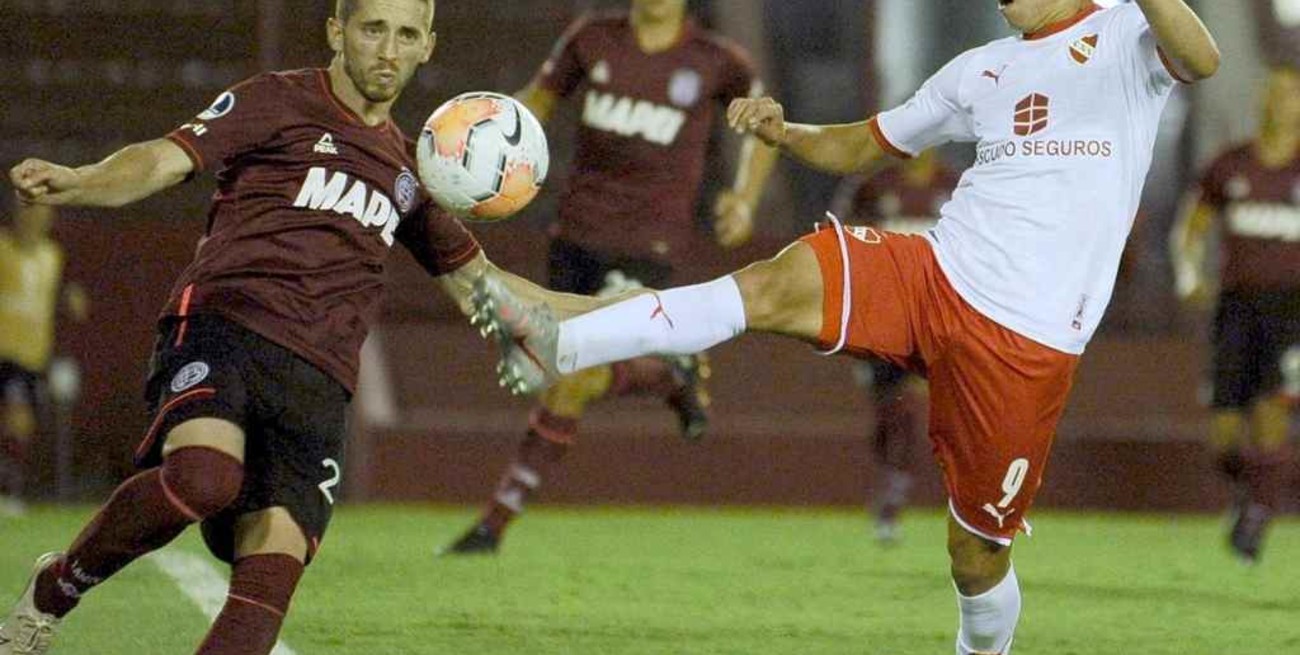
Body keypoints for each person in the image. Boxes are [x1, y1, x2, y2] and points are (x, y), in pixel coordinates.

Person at [473, 1, 1219, 652]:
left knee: (975, 555)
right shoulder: (979, 71)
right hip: (939, 269)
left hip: (1027, 339)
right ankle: (559, 339)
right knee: (779, 281)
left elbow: (1202, 58)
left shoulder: (1128, 32)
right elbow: (866, 141)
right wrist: (784, 132)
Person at [0, 1, 609, 653]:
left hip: (319, 380)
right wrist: (84, 178)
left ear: (427, 46)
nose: (388, 50)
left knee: (272, 573)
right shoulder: (274, 100)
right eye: (373, 28)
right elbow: (162, 159)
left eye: (406, 35)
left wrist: (648, 314)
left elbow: (482, 287)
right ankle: (53, 590)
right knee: (204, 477)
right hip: (226, 325)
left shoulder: (412, 172)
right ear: (337, 31)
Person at [440, 0, 776, 555]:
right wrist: (479, 143)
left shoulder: (716, 60)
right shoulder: (591, 39)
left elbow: (766, 121)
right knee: (559, 372)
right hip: (574, 236)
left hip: (648, 248)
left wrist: (744, 200)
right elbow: (534, 106)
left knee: (574, 375)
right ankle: (669, 375)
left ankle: (492, 526)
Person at [1170, 64, 1299, 564]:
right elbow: (1193, 225)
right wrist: (1188, 274)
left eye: (1289, 94)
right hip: (1236, 309)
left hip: (1291, 310)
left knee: (1270, 412)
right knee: (1223, 435)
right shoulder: (1230, 165)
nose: (1279, 103)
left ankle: (1257, 519)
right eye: (1273, 94)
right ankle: (1255, 492)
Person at [829, 150, 958, 544]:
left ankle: (895, 502)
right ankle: (888, 478)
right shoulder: (874, 186)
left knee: (913, 414)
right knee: (888, 417)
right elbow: (841, 238)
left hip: (934, 319)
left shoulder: (955, 187)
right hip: (883, 318)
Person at [0, 201, 87, 516]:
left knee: (21, 424)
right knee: (17, 419)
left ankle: (10, 489)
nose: (34, 219)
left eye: (41, 214)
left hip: (32, 356)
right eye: (28, 212)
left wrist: (70, 300)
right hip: (3, 350)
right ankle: (7, 490)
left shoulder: (53, 255)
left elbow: (57, 297)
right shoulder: (3, 248)